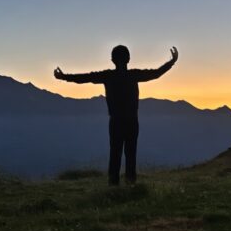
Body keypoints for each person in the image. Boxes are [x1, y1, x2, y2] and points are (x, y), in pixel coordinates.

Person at [54, 45, 178, 185]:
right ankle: (130, 184)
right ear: (128, 59)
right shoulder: (133, 75)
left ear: (112, 60)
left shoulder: (108, 76)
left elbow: (84, 78)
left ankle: (113, 185)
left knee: (115, 154)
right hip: (132, 121)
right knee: (131, 154)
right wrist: (172, 61)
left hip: (116, 122)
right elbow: (156, 73)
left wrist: (63, 77)